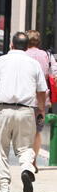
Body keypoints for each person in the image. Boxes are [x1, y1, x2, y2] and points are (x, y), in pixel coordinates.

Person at [0, 32, 47, 192]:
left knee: (0, 149)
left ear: (11, 45)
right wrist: (40, 110)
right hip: (26, 111)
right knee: (25, 147)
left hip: (3, 110)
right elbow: (41, 91)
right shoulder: (33, 64)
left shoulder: (1, 61)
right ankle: (27, 168)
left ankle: (4, 188)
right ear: (27, 47)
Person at [26, 30, 57, 173]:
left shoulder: (23, 55)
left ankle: (25, 161)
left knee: (24, 131)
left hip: (23, 98)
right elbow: (54, 75)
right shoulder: (46, 55)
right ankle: (33, 161)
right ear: (39, 42)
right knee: (37, 132)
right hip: (41, 100)